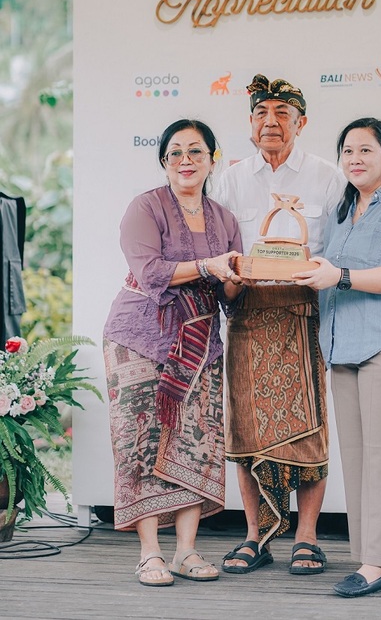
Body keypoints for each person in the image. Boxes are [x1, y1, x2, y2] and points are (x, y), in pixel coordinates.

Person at [294, 117, 381, 598]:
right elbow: (327, 267)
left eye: (365, 150)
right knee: (359, 460)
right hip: (344, 348)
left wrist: (340, 276)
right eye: (347, 151)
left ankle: (377, 565)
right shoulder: (344, 208)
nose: (354, 159)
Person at [103, 118, 243, 587]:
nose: (186, 160)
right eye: (176, 152)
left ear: (212, 159)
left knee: (195, 444)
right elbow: (150, 272)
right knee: (140, 442)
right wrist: (208, 266)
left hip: (201, 343)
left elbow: (230, 294)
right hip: (139, 338)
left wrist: (237, 278)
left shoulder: (225, 219)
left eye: (196, 151)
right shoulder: (145, 207)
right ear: (164, 161)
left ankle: (186, 551)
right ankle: (150, 554)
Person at [215, 74, 346, 575]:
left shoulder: (327, 177)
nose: (271, 122)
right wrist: (232, 274)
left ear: (301, 122)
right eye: (261, 113)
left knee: (309, 429)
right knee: (246, 430)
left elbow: (343, 247)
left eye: (282, 114)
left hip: (303, 314)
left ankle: (306, 537)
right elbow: (220, 252)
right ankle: (256, 536)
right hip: (247, 315)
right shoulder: (229, 180)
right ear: (250, 123)